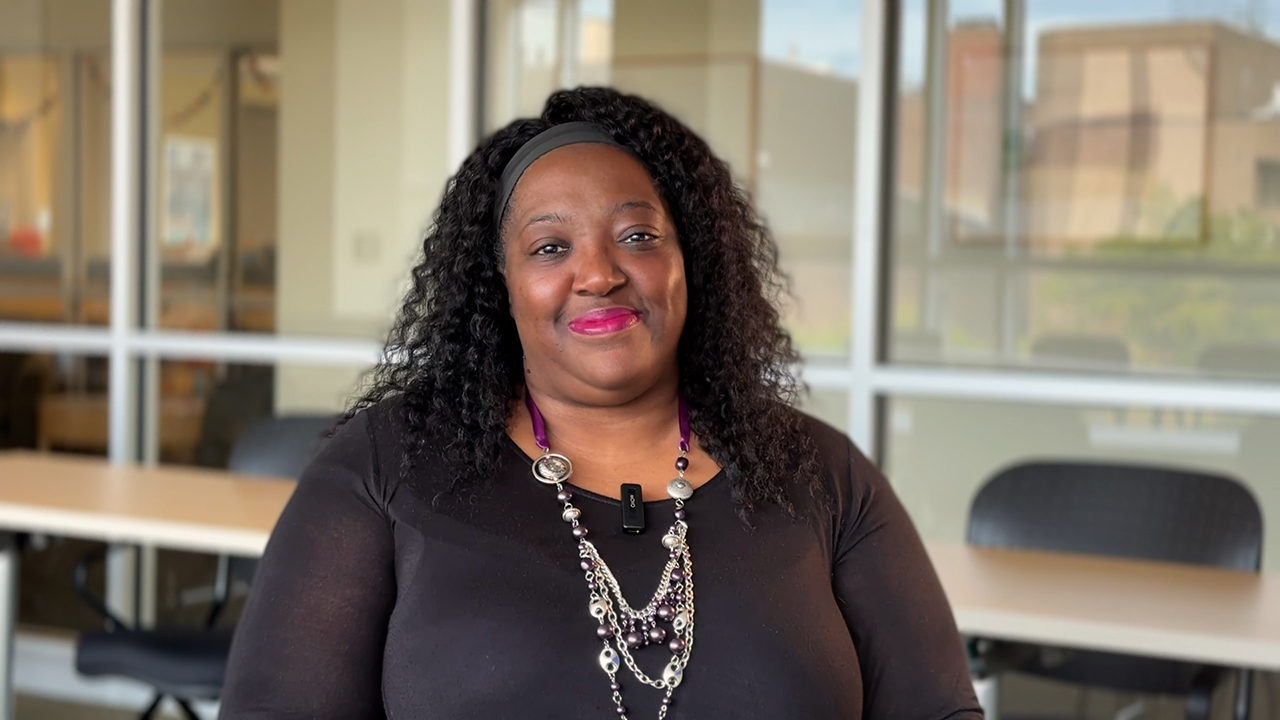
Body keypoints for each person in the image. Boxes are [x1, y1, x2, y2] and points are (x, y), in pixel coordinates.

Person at [219, 87, 983, 720]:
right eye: (550, 247)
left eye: (638, 236)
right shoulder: (386, 470)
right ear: (502, 287)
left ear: (692, 265)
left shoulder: (822, 476)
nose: (599, 273)